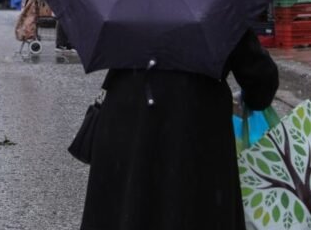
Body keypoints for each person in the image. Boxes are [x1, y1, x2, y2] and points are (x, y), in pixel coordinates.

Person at [81, 29, 278, 230]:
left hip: (126, 116)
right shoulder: (217, 7)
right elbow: (260, 85)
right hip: (196, 127)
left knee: (129, 205)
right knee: (192, 211)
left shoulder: (127, 4)